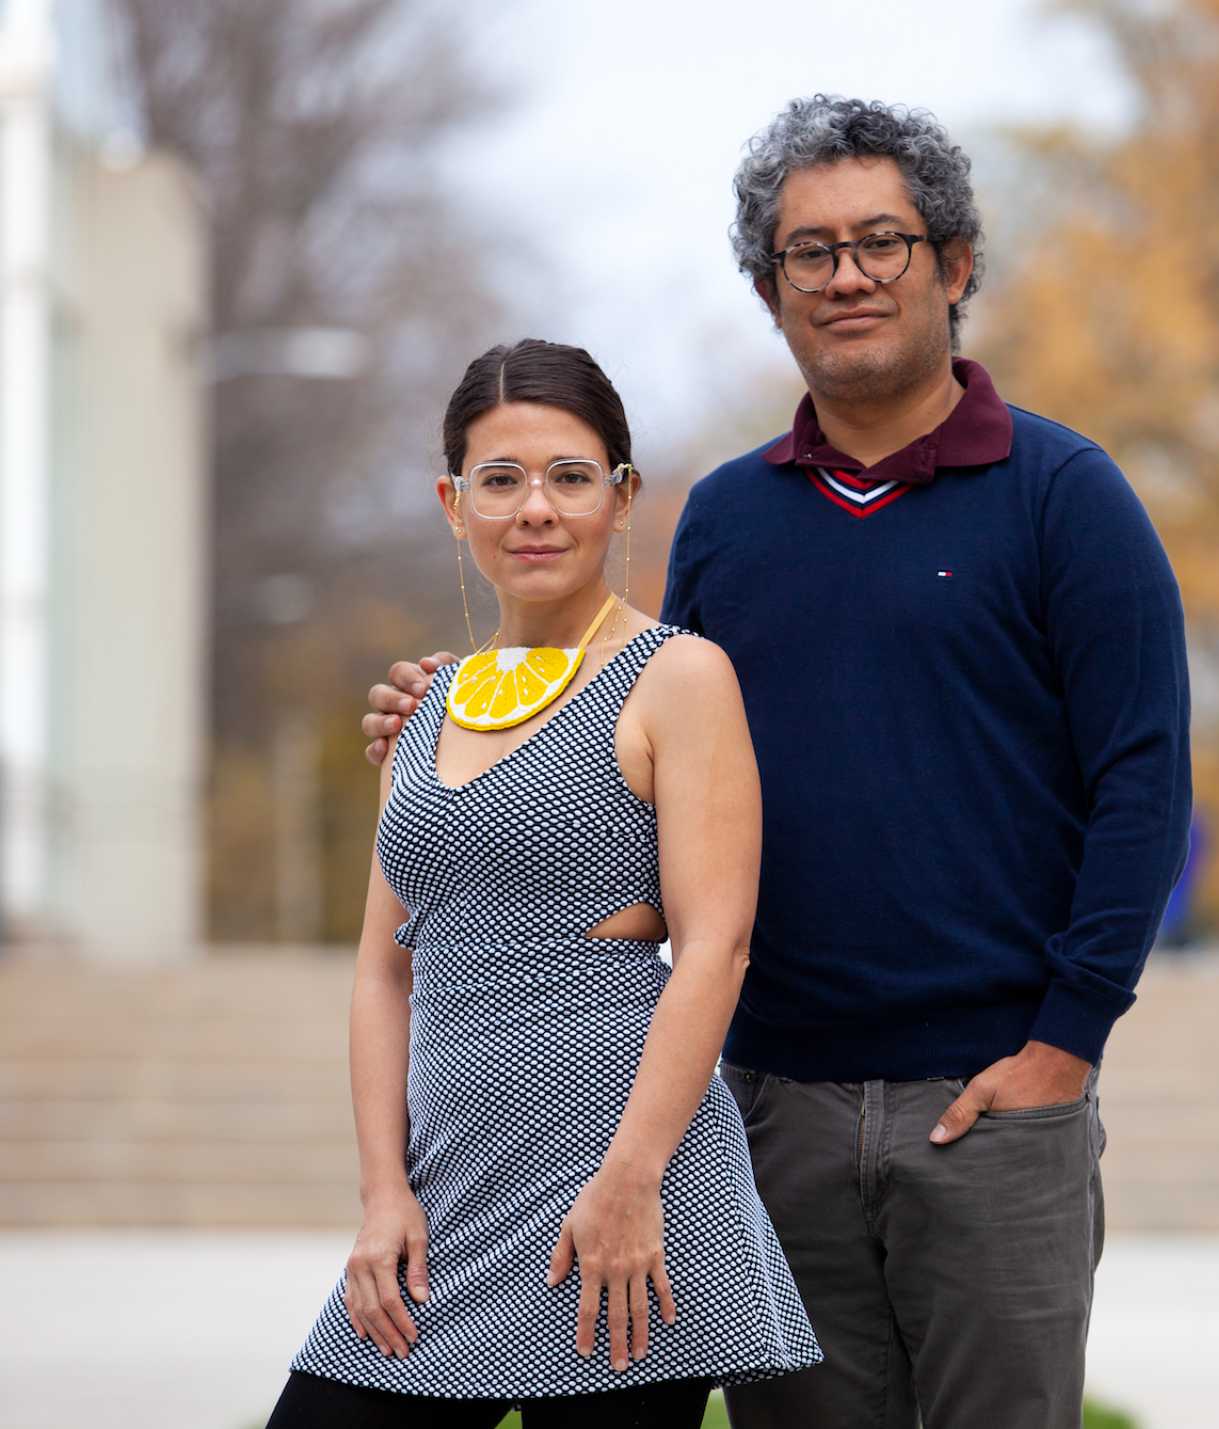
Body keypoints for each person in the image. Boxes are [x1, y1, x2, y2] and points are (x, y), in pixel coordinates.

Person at [365, 97, 1192, 1429]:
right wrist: (455, 717)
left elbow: (1145, 784)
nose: (848, 274)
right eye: (810, 252)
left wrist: (1064, 1047)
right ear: (769, 287)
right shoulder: (731, 519)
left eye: (883, 241)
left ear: (956, 264)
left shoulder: (1066, 496)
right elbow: (639, 744)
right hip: (765, 1117)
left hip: (992, 1105)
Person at [271, 339, 820, 1429]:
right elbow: (385, 974)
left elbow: (716, 945)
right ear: (451, 501)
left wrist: (632, 1178)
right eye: (501, 478)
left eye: (572, 476)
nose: (536, 508)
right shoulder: (430, 704)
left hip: (621, 1198)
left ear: (621, 498)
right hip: (448, 1201)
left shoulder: (678, 677)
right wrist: (384, 1191)